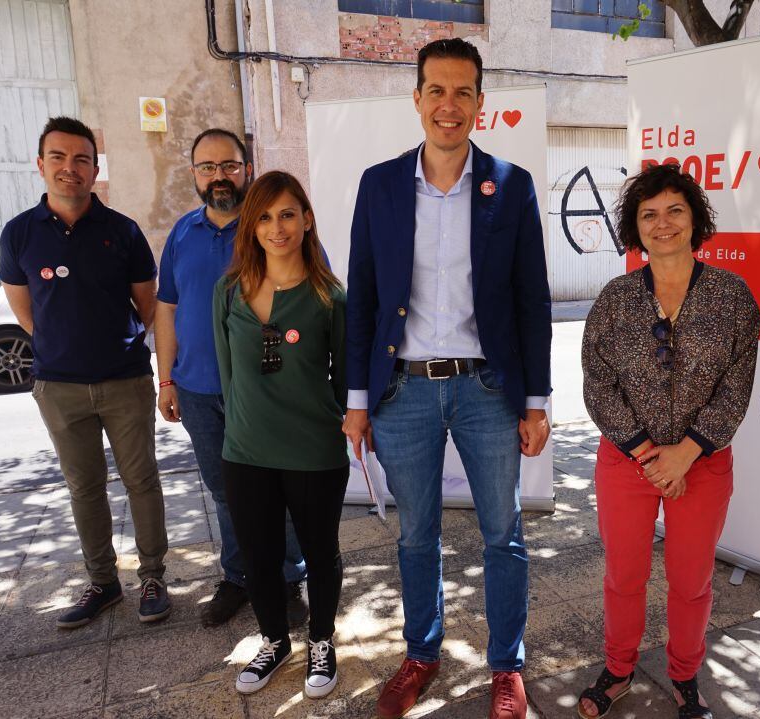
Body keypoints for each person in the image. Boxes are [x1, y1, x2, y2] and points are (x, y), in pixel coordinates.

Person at [343, 37, 552, 719]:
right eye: (436, 90)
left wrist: (535, 400)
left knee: (504, 534)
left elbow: (532, 299)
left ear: (481, 104)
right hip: (403, 390)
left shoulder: (510, 186)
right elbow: (364, 298)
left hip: (487, 389)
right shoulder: (379, 184)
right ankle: (422, 653)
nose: (449, 105)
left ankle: (506, 666)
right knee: (415, 535)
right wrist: (357, 400)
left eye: (463, 92)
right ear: (417, 99)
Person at [579, 164, 760, 719]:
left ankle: (685, 676)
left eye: (675, 211)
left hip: (701, 464)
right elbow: (596, 379)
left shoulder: (732, 296)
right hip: (626, 461)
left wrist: (685, 452)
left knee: (691, 580)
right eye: (649, 214)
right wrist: (646, 452)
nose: (663, 223)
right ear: (635, 227)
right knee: (624, 575)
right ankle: (618, 669)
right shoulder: (614, 299)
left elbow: (737, 383)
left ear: (695, 219)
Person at [0, 116, 171, 628]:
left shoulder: (122, 231)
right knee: (84, 487)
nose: (69, 169)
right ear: (40, 164)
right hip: (58, 387)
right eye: (58, 157)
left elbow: (148, 307)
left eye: (80, 159)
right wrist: (65, 347)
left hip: (124, 380)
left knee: (142, 480)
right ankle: (103, 582)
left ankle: (154, 577)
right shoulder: (19, 234)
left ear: (95, 168)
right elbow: (26, 312)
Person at [155, 128, 309, 629]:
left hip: (267, 390)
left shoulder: (273, 227)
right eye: (207, 167)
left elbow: (316, 299)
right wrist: (166, 379)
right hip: (199, 390)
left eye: (228, 165)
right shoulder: (182, 233)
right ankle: (240, 577)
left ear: (247, 168)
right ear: (195, 174)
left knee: (278, 489)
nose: (218, 176)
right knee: (225, 491)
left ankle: (287, 579)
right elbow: (167, 307)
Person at [213, 170, 348, 698]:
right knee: (259, 555)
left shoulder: (329, 296)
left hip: (315, 451)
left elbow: (343, 374)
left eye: (288, 214)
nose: (277, 227)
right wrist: (246, 425)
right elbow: (228, 376)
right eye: (265, 217)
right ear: (251, 226)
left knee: (320, 552)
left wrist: (333, 418)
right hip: (246, 451)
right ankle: (273, 640)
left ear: (307, 219)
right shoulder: (227, 293)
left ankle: (321, 640)